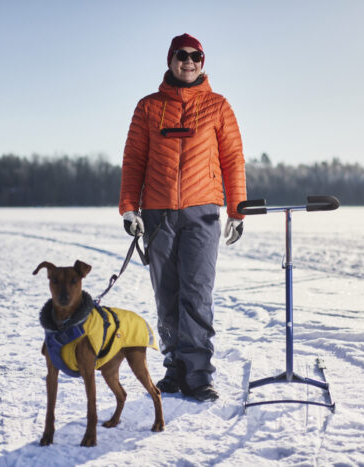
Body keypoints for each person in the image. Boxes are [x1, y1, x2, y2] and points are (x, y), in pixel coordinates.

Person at [119, 33, 247, 402]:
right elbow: (133, 161)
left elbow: (233, 160)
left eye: (196, 56)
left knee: (196, 293)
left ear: (202, 63)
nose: (188, 62)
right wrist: (130, 207)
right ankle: (174, 370)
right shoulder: (148, 107)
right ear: (170, 59)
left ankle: (199, 375)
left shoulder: (218, 106)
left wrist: (237, 210)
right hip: (157, 214)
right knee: (167, 293)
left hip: (202, 213)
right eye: (181, 55)